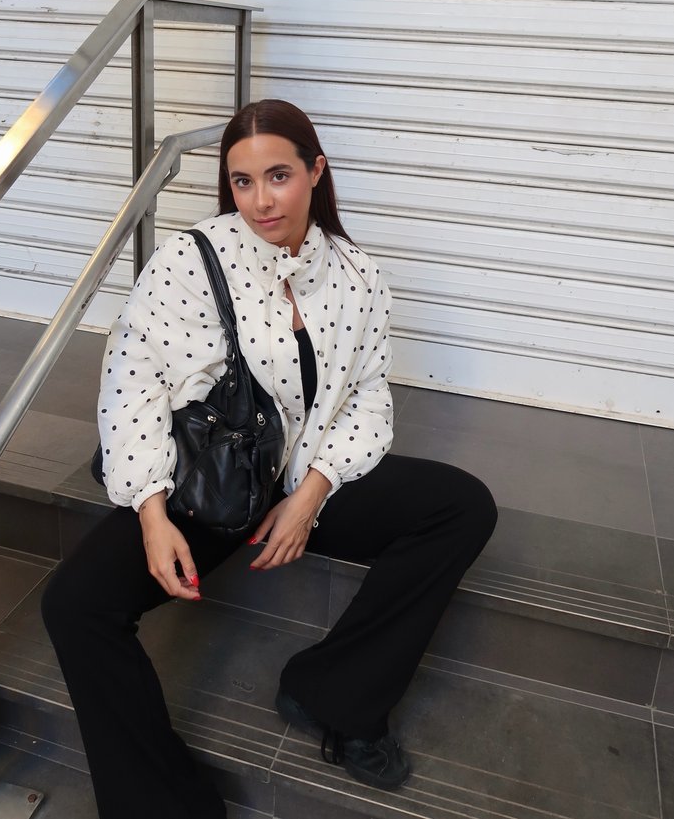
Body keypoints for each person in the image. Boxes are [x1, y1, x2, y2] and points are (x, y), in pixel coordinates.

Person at [42, 99, 497, 819]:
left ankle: (334, 694)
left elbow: (370, 398)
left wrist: (311, 494)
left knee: (461, 506)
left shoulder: (358, 277)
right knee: (74, 603)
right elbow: (132, 384)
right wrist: (152, 514)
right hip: (211, 491)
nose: (261, 199)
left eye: (279, 175)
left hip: (303, 482)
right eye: (243, 181)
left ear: (316, 170)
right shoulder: (189, 261)